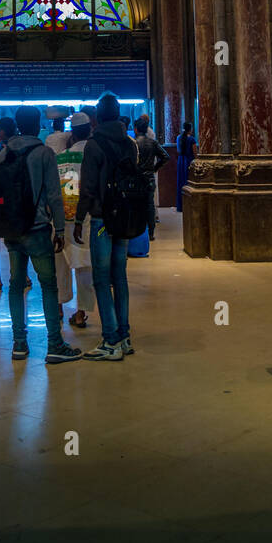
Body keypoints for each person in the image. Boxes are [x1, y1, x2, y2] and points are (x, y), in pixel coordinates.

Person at [1, 105, 82, 364]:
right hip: (37, 228)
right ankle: (55, 345)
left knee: (15, 285)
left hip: (12, 229)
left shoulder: (3, 153)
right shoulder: (44, 153)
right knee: (48, 285)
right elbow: (54, 195)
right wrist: (59, 229)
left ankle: (19, 344)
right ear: (38, 126)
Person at [74, 91, 138, 360]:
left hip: (101, 219)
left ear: (98, 117)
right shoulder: (129, 143)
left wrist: (78, 219)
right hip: (123, 216)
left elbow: (87, 188)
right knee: (119, 277)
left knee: (101, 278)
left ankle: (110, 340)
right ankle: (123, 336)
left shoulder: (94, 144)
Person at [55, 112, 95, 328]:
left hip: (62, 218)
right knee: (85, 265)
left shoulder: (60, 157)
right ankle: (80, 313)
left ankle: (60, 308)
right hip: (85, 219)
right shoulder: (94, 155)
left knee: (59, 262)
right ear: (89, 130)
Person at [0, 116, 26, 292]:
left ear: (1, 131)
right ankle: (24, 275)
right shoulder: (22, 147)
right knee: (19, 234)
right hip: (17, 197)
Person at [133, 115, 168, 241]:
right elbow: (165, 157)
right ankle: (151, 233)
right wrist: (154, 168)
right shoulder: (153, 143)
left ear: (136, 129)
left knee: (136, 205)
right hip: (149, 178)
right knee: (150, 205)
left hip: (136, 179)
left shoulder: (133, 143)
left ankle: (137, 231)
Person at [175, 121, 196, 211]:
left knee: (181, 182)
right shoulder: (192, 139)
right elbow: (195, 152)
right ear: (190, 129)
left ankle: (180, 205)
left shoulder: (178, 138)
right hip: (189, 161)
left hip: (181, 161)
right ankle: (189, 205)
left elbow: (178, 151)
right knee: (188, 182)